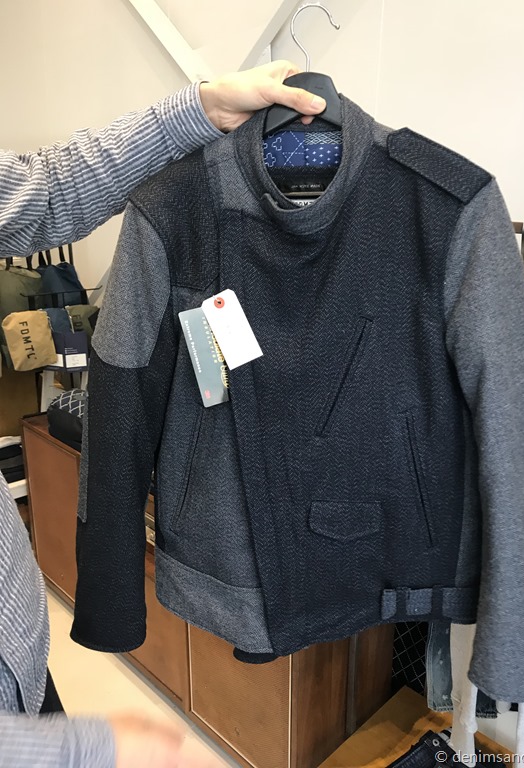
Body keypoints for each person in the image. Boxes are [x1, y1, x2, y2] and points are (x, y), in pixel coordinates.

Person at [0, 60, 326, 767]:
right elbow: (121, 397)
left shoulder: (432, 202)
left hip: (17, 649)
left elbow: (41, 189)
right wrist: (68, 749)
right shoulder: (175, 211)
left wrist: (199, 108)